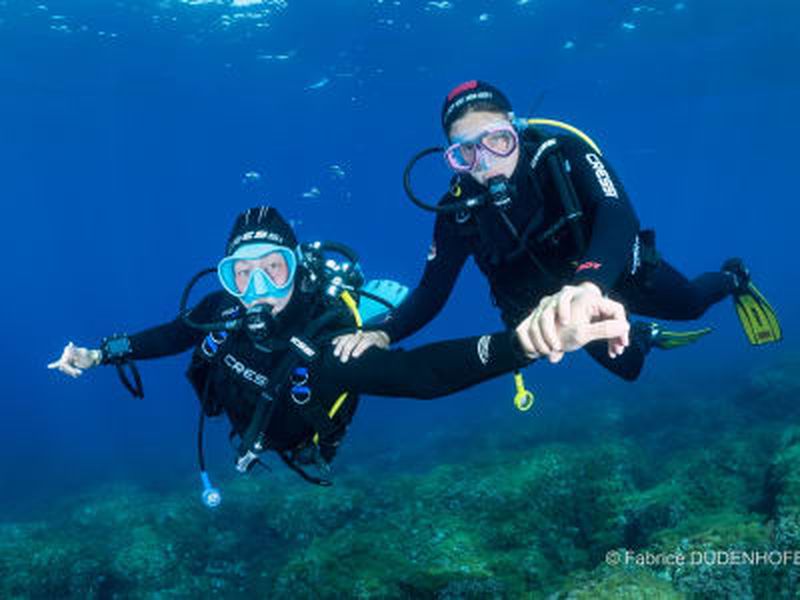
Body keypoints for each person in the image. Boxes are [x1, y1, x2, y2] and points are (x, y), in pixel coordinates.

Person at [48, 206, 629, 505]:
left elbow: (420, 374)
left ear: (296, 270)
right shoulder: (222, 306)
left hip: (304, 441)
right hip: (249, 427)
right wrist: (98, 354)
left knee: (379, 336)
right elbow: (174, 334)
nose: (255, 291)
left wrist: (523, 343)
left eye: (272, 271)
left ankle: (380, 313)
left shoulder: (325, 343)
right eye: (240, 273)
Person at [334, 80, 781, 379]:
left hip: (613, 275)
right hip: (560, 309)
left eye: (497, 139)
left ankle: (734, 277)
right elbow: (431, 294)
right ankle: (642, 336)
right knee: (629, 369)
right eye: (465, 153)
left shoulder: (561, 155)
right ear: (452, 158)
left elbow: (618, 215)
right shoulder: (458, 210)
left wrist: (587, 285)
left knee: (689, 305)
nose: (485, 163)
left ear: (516, 131)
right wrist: (382, 332)